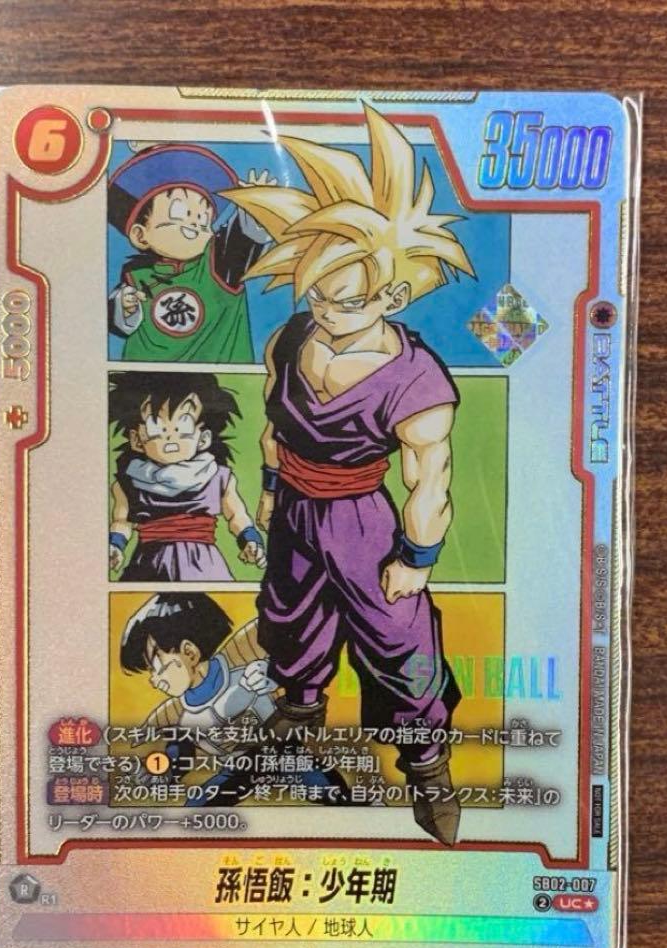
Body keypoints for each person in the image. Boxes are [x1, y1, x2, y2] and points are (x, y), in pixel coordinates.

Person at [221, 104, 476, 844]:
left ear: (392, 296)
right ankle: (296, 719)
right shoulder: (290, 337)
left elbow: (430, 480)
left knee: (399, 643)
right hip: (296, 511)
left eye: (349, 299)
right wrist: (271, 494)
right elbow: (273, 428)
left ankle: (427, 768)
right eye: (317, 294)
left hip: (363, 522)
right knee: (289, 623)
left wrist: (416, 559)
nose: (328, 311)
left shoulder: (417, 381)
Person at [120, 594, 350, 807]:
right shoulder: (182, 715)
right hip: (239, 768)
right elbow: (180, 753)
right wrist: (163, 770)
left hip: (281, 753)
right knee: (196, 806)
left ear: (189, 652)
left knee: (332, 792)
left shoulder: (244, 670)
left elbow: (296, 656)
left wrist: (275, 674)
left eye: (157, 667)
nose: (154, 680)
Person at [108, 143, 274, 361]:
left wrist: (257, 210)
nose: (195, 225)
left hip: (218, 375)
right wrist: (126, 307)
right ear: (140, 235)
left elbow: (243, 240)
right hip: (145, 376)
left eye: (203, 220)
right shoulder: (135, 276)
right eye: (180, 215)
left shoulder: (217, 264)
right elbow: (117, 323)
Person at [109, 371, 265, 582]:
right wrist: (115, 545)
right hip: (148, 565)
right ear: (136, 439)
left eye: (183, 425)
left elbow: (237, 515)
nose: (170, 436)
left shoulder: (218, 478)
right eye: (156, 427)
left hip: (203, 566)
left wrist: (250, 540)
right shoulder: (128, 483)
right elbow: (122, 521)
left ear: (204, 438)